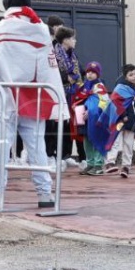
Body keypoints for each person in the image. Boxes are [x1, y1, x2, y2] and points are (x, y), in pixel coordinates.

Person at [0, 0, 64, 209]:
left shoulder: (1, 28)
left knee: (1, 145)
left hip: (6, 94)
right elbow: (48, 65)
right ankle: (45, 193)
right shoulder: (40, 28)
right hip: (34, 95)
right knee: (37, 146)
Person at [104, 64, 135, 177]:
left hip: (131, 121)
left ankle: (126, 166)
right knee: (115, 140)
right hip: (119, 121)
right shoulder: (120, 88)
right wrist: (123, 115)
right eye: (131, 75)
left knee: (128, 143)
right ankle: (110, 162)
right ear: (125, 77)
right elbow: (115, 103)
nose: (134, 76)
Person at [51, 26, 82, 166]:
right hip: (60, 93)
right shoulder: (55, 53)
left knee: (71, 124)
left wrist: (74, 79)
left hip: (73, 93)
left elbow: (78, 73)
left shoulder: (72, 55)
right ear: (65, 40)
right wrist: (66, 77)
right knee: (59, 125)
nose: (75, 41)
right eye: (72, 38)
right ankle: (56, 154)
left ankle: (67, 154)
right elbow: (53, 71)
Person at [74, 62, 109, 175]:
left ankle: (98, 165)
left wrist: (92, 111)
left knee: (97, 139)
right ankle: (90, 163)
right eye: (88, 71)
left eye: (93, 72)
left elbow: (104, 102)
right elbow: (80, 98)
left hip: (96, 118)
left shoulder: (100, 87)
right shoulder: (84, 86)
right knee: (87, 141)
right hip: (85, 119)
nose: (90, 74)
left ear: (98, 74)